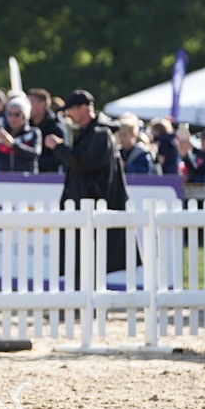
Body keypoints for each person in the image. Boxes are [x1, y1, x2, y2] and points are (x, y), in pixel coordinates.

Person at [44, 89, 129, 272]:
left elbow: (83, 162)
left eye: (71, 110)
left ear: (84, 108)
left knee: (93, 262)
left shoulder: (99, 132)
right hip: (90, 205)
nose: (69, 115)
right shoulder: (90, 131)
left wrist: (58, 147)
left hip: (95, 204)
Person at [0, 96, 41, 173]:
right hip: (3, 179)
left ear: (25, 116)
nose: (12, 118)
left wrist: (13, 144)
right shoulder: (1, 131)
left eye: (17, 114)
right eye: (9, 114)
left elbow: (34, 154)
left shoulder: (33, 132)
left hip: (26, 180)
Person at [28, 88, 67, 174]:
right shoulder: (26, 125)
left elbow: (59, 158)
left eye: (30, 103)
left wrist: (33, 164)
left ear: (43, 104)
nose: (27, 107)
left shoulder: (56, 127)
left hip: (49, 180)